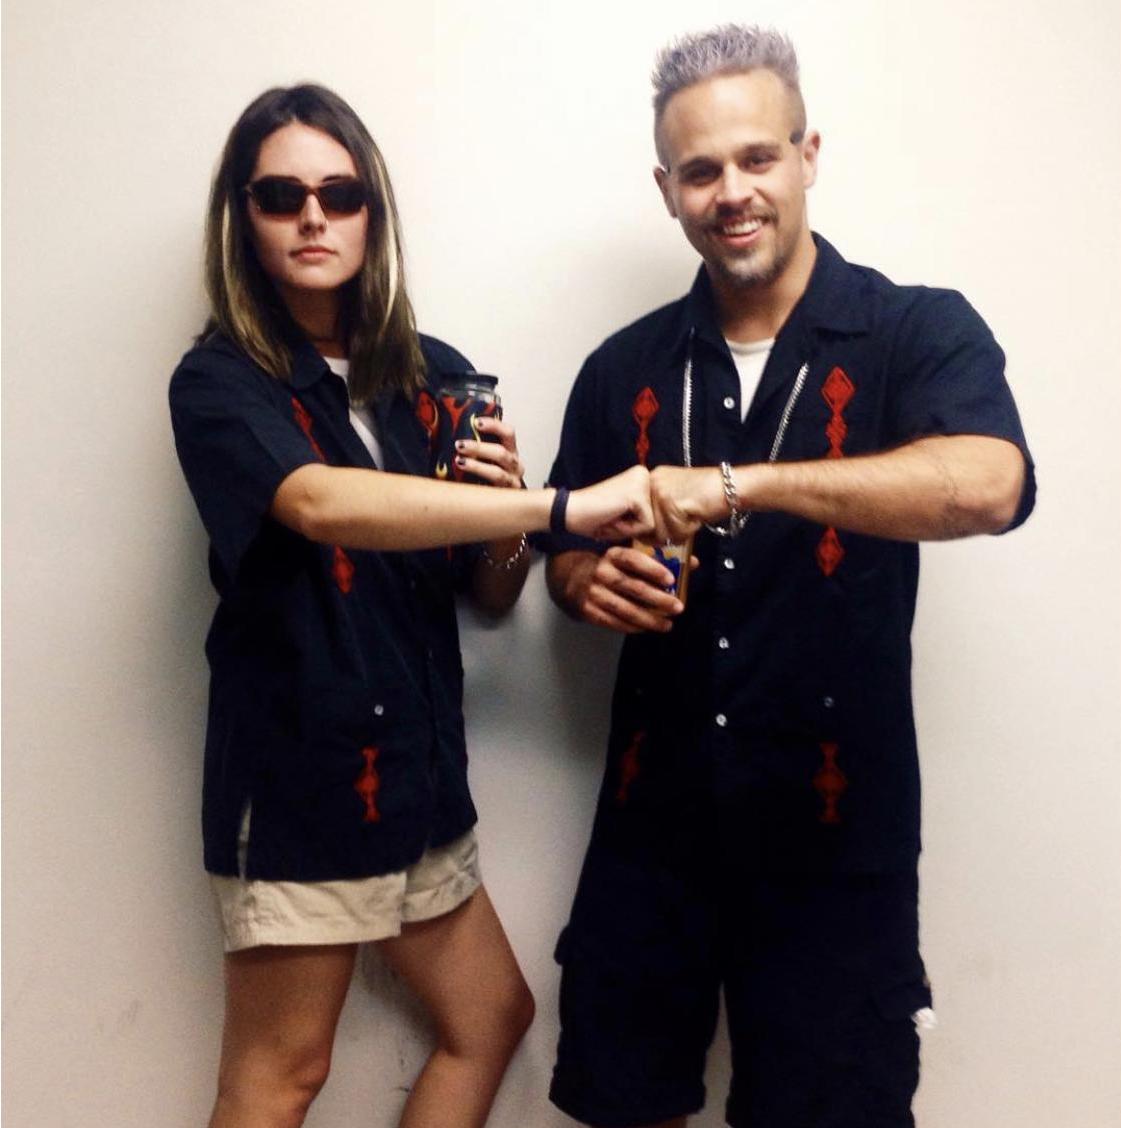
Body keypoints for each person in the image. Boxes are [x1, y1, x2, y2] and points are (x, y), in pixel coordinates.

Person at [543, 25, 1035, 1128]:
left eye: (758, 157)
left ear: (809, 155)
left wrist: (743, 485)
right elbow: (562, 551)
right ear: (667, 190)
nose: (733, 192)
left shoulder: (916, 330)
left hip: (836, 842)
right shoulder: (620, 367)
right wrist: (583, 585)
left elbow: (992, 484)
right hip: (650, 835)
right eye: (702, 170)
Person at [169, 83, 652, 1128]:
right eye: (281, 195)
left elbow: (491, 592)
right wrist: (554, 504)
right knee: (281, 1075)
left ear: (371, 213)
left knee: (492, 1016)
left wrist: (502, 514)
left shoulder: (433, 376)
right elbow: (319, 503)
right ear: (242, 216)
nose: (312, 217)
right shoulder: (219, 383)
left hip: (421, 780)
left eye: (339, 194)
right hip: (301, 786)